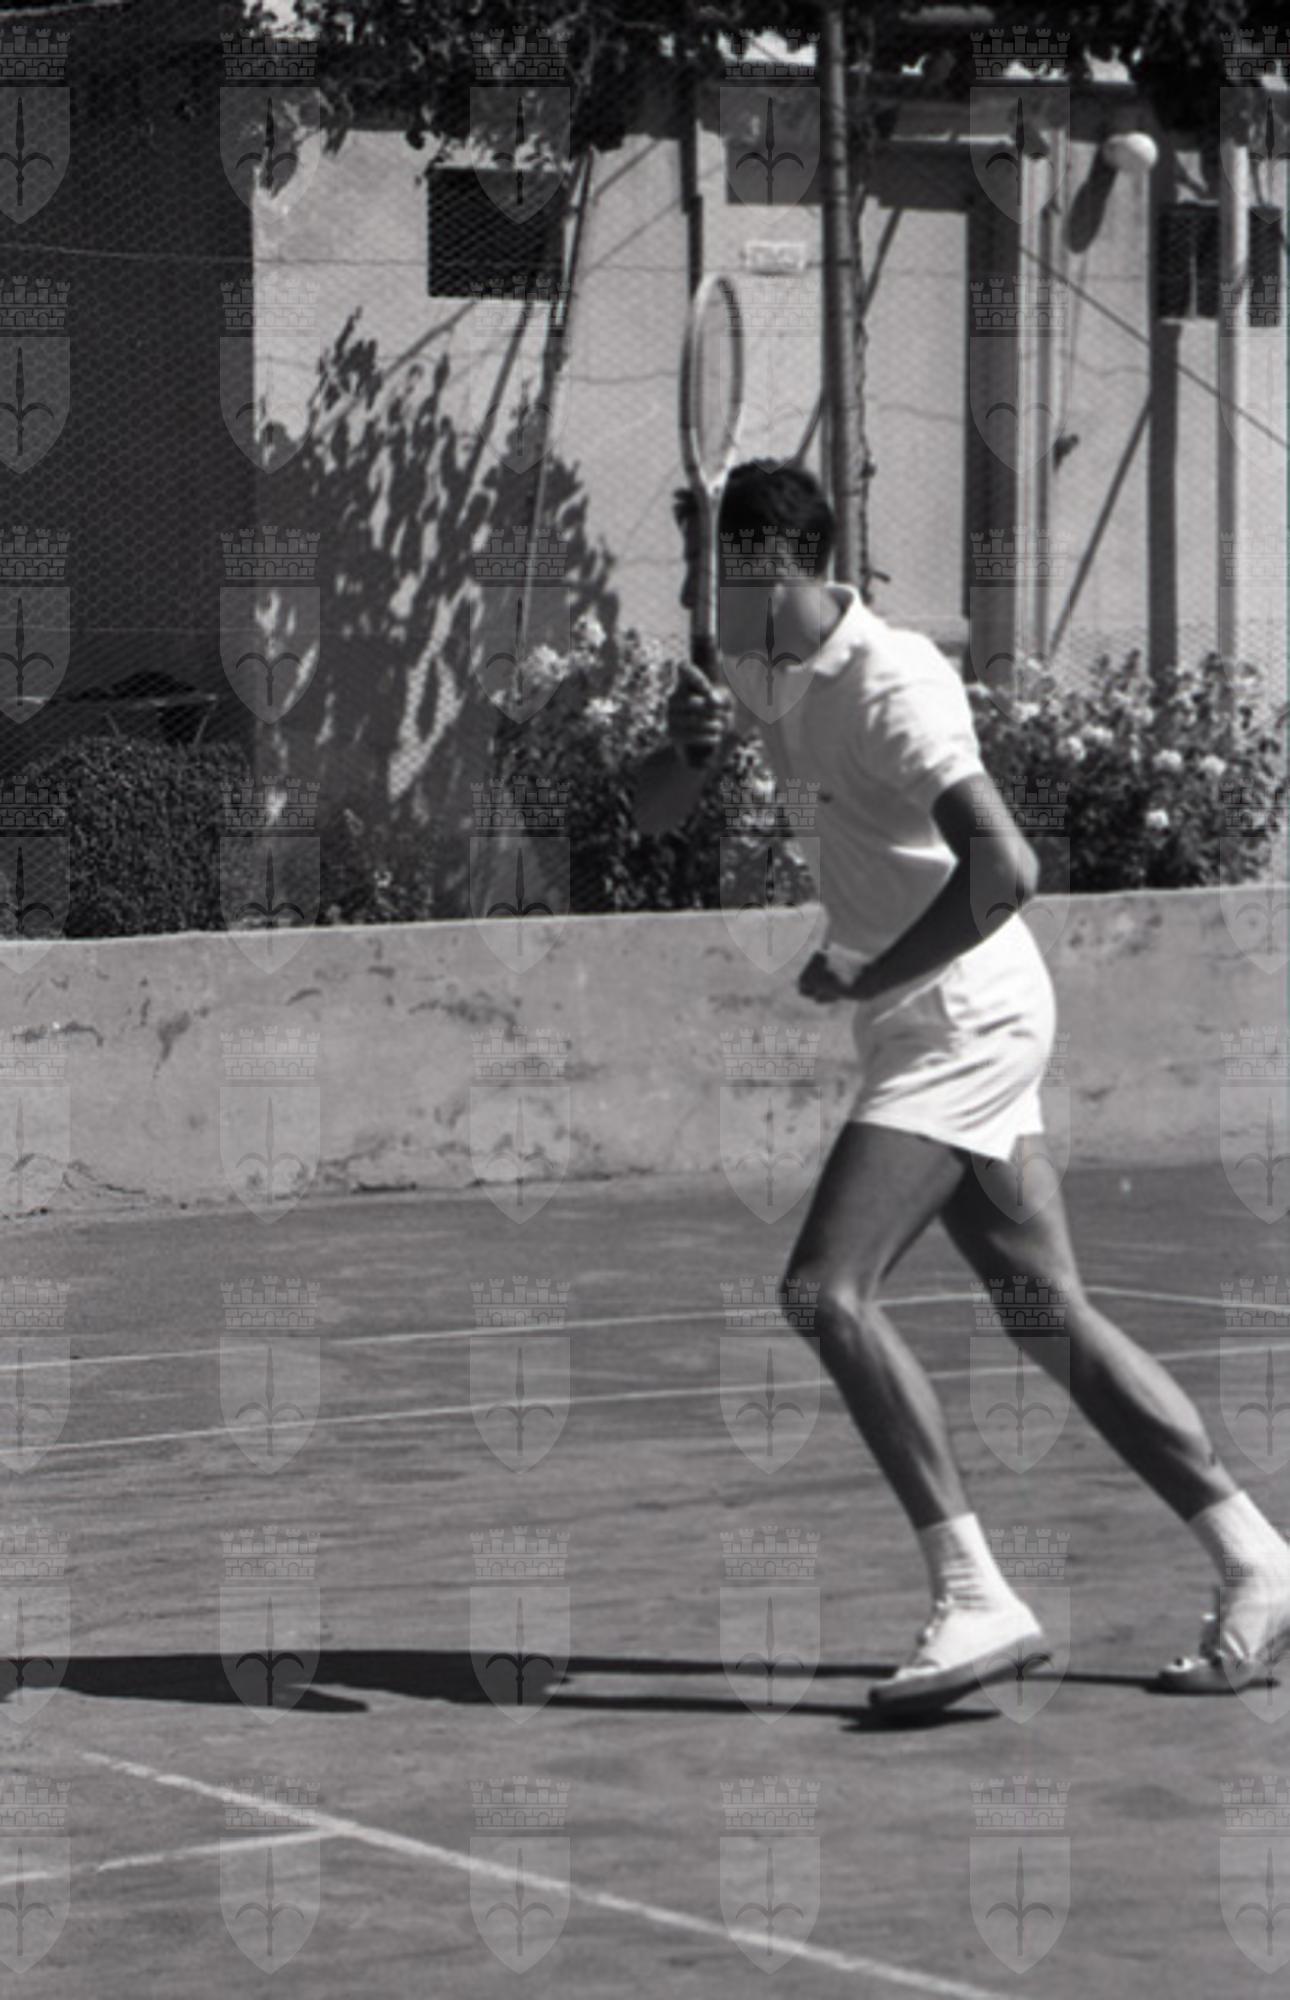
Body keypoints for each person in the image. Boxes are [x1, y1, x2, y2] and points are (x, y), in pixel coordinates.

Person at [634, 458, 1290, 1715]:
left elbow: (1008, 866)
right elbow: (653, 813)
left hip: (960, 1012)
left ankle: (975, 1590)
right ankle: (1257, 1557)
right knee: (1048, 1312)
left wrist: (875, 969)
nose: (693, 597)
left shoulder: (893, 681)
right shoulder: (760, 668)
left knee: (824, 1291)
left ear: (773, 565)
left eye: (710, 571)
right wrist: (684, 750)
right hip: (935, 1013)